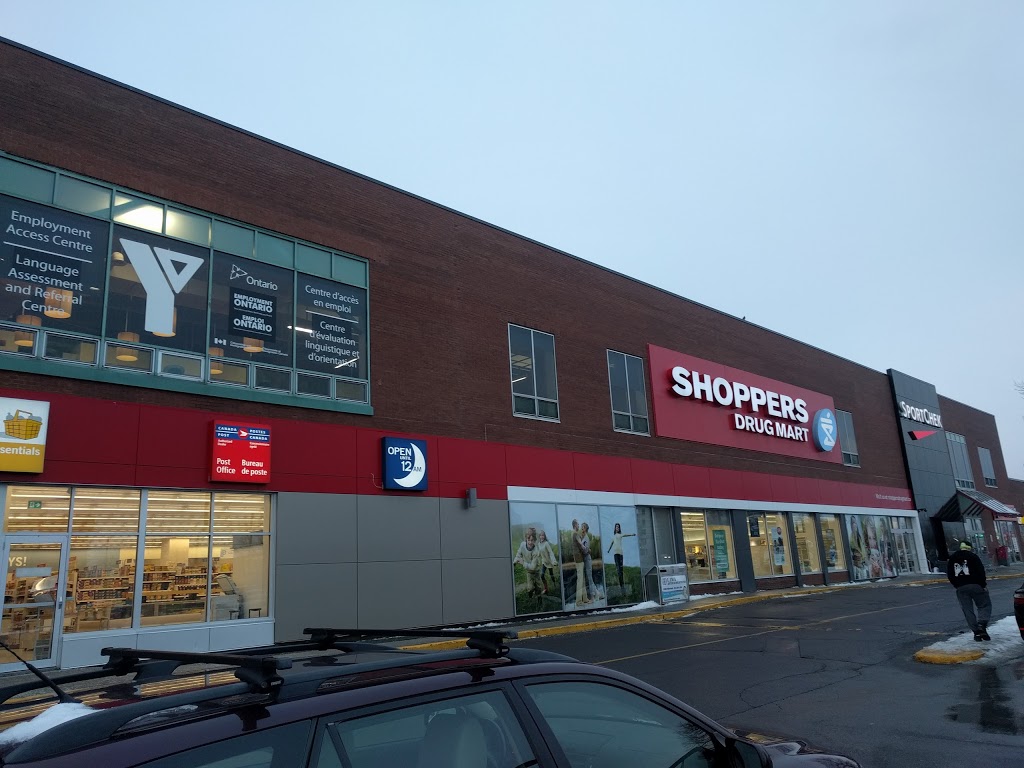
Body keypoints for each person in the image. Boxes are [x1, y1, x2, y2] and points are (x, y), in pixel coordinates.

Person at [946, 540, 991, 641]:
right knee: (984, 605)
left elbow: (950, 574)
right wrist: (983, 585)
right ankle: (982, 625)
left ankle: (976, 632)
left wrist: (956, 585)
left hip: (961, 587)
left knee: (967, 609)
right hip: (976, 585)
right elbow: (981, 571)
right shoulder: (973, 556)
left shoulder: (953, 558)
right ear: (969, 548)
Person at [512, 527, 543, 597]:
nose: (530, 542)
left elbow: (533, 567)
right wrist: (514, 561)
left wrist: (523, 562)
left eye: (532, 540)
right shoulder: (522, 545)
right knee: (530, 587)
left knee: (538, 587)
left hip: (536, 571)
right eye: (528, 540)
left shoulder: (536, 551)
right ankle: (530, 596)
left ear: (535, 540)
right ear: (526, 539)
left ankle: (539, 597)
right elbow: (518, 554)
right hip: (529, 572)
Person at [607, 522, 636, 591]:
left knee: (621, 570)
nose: (617, 528)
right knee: (618, 570)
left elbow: (626, 535)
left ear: (619, 528)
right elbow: (611, 544)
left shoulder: (620, 535)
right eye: (616, 527)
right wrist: (608, 550)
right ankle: (621, 586)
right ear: (615, 528)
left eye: (618, 527)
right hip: (615, 554)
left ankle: (622, 586)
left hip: (620, 554)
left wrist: (632, 534)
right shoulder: (613, 536)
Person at [579, 522, 602, 602]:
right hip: (585, 559)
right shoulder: (583, 537)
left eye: (583, 527)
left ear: (586, 529)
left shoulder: (586, 538)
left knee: (589, 578)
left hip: (587, 559)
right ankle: (598, 593)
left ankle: (592, 596)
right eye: (581, 527)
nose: (581, 528)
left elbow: (586, 550)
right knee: (589, 578)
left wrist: (582, 549)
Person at [570, 519, 589, 605]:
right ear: (575, 525)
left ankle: (585, 598)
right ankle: (578, 601)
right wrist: (586, 549)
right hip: (578, 558)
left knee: (582, 578)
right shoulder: (575, 534)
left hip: (579, 558)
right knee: (580, 579)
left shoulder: (574, 533)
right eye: (578, 524)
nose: (579, 526)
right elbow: (580, 543)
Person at [535, 529, 558, 594]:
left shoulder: (546, 543)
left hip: (549, 562)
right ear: (539, 536)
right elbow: (539, 552)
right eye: (540, 535)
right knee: (542, 575)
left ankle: (554, 584)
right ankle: (546, 589)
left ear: (544, 536)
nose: (542, 537)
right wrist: (536, 556)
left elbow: (551, 552)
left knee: (551, 575)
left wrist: (554, 561)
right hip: (544, 562)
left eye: (543, 535)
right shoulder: (539, 544)